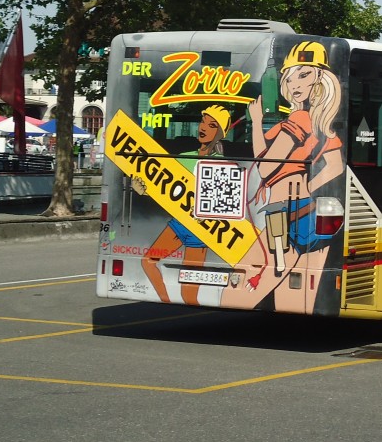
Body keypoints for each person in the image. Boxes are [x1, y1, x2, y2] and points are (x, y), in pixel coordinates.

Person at [242, 41, 343, 294]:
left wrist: (256, 123)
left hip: (281, 211)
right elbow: (335, 167)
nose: (294, 84)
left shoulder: (299, 118)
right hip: (305, 209)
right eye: (289, 77)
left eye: (304, 74)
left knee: (255, 280)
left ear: (321, 77)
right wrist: (308, 187)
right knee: (298, 290)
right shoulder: (322, 123)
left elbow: (265, 168)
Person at [138, 104, 232, 305]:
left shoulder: (222, 164)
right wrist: (143, 190)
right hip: (179, 224)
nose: (204, 127)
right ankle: (166, 303)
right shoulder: (183, 157)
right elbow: (165, 188)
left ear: (220, 134)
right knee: (148, 262)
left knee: (188, 295)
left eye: (212, 125)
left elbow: (224, 203)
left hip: (201, 230)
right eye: (203, 121)